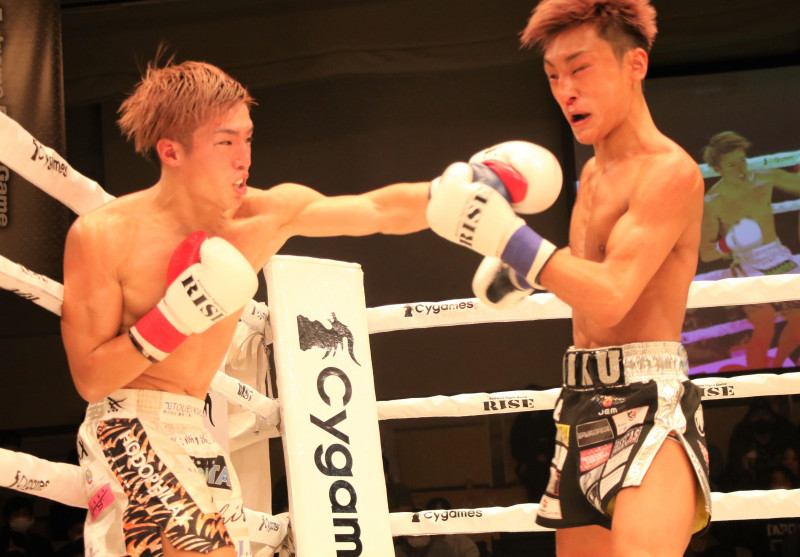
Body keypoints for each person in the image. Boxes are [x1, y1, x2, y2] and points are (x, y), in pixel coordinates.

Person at [60, 57, 431, 557]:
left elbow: (377, 209)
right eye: (225, 142)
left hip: (196, 428)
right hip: (127, 423)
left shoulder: (260, 218)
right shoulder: (104, 235)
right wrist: (172, 320)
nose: (244, 158)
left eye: (247, 138)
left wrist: (462, 193)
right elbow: (90, 379)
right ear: (171, 151)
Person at [425, 0, 711, 555]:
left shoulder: (668, 172)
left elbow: (613, 297)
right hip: (581, 404)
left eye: (580, 69)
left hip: (649, 403)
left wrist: (511, 239)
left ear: (635, 65)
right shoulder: (594, 174)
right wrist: (524, 275)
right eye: (554, 75)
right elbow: (593, 278)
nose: (566, 91)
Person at [699, 131, 800, 369]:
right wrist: (731, 243)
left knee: (799, 325)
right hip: (747, 263)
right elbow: (706, 253)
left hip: (778, 254)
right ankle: (757, 383)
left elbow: (796, 184)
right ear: (717, 168)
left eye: (742, 160)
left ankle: (776, 367)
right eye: (732, 165)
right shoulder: (712, 202)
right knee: (764, 327)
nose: (740, 169)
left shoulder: (764, 178)